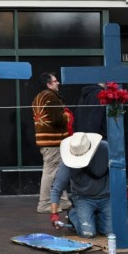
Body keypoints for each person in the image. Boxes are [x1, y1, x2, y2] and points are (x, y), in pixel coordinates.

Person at [74, 83, 128, 221]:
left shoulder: (84, 96)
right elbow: (94, 122)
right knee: (113, 176)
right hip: (100, 144)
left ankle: (121, 208)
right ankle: (126, 208)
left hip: (88, 143)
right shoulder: (98, 95)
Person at [50, 132, 111, 238]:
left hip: (106, 196)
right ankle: (73, 214)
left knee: (110, 233)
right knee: (88, 233)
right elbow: (57, 188)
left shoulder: (105, 149)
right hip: (83, 197)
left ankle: (93, 218)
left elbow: (119, 170)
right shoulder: (67, 160)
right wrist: (54, 214)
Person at [32, 72, 71, 213]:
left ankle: (63, 201)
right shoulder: (50, 97)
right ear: (48, 84)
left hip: (46, 142)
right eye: (55, 81)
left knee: (57, 172)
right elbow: (57, 119)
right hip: (53, 142)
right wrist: (66, 116)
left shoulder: (38, 97)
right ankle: (44, 203)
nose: (58, 83)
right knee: (51, 172)